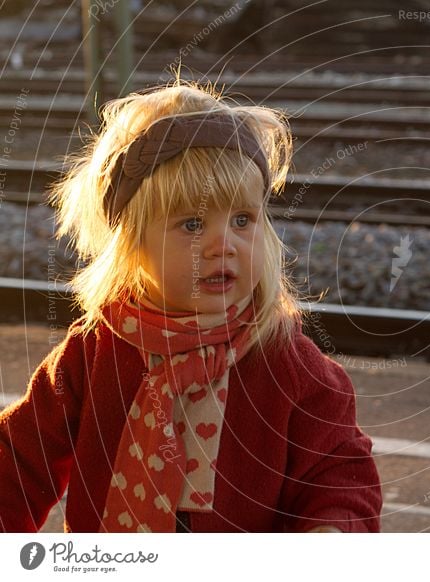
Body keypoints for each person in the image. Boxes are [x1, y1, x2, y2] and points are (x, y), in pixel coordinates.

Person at [0, 80, 382, 533]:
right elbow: (19, 462)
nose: (225, 245)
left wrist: (331, 532)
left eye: (243, 220)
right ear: (134, 244)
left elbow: (339, 473)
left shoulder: (287, 362)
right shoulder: (95, 352)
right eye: (193, 224)